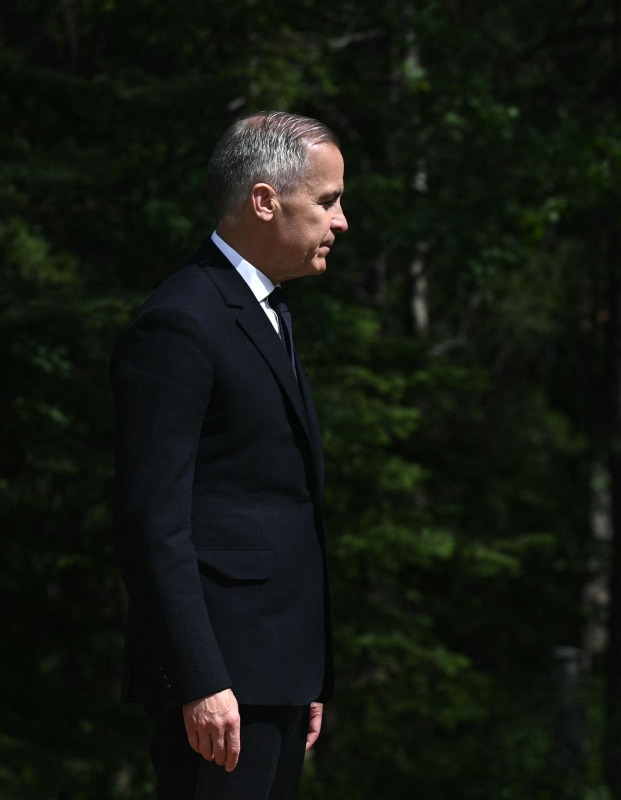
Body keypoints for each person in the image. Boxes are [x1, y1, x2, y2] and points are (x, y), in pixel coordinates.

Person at [111, 111, 348, 798]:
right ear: (266, 200)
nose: (341, 223)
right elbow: (152, 520)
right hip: (219, 691)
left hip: (274, 675)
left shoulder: (266, 314)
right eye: (328, 201)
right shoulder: (182, 321)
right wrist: (201, 681)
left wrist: (303, 672)